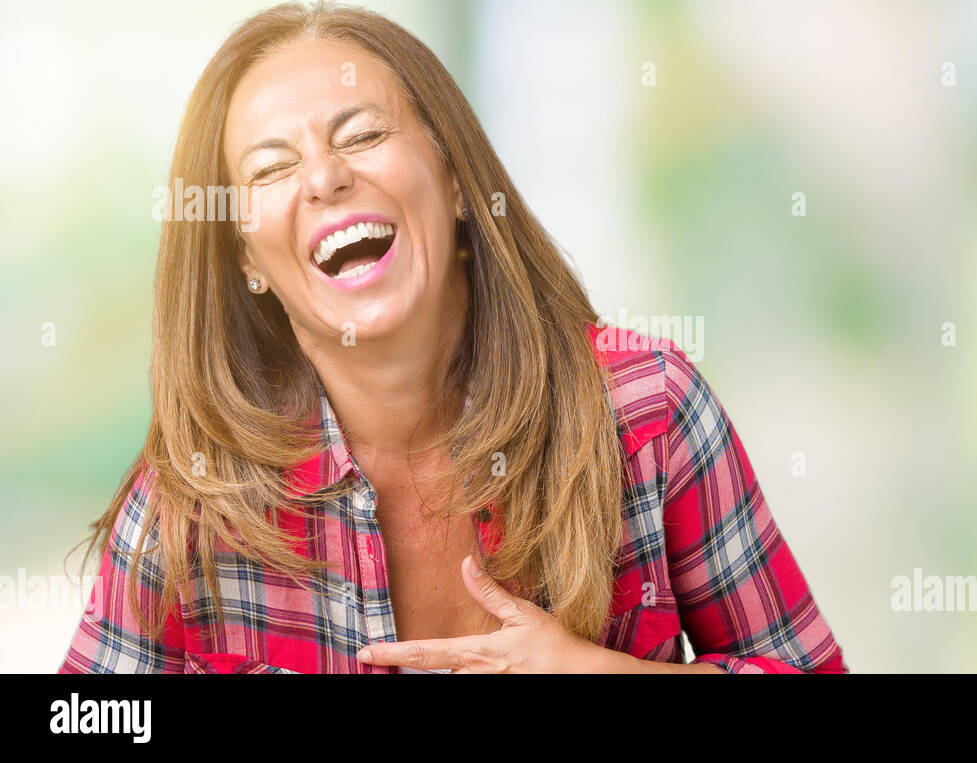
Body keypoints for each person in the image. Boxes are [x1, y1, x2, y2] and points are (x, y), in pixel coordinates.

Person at [59, 1, 847, 674]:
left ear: (457, 178)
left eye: (362, 134)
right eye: (271, 169)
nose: (324, 176)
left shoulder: (648, 412)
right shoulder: (193, 511)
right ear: (246, 258)